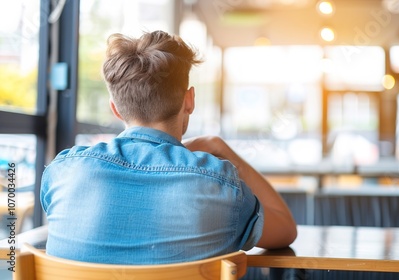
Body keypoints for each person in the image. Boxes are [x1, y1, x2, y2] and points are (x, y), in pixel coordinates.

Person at [40, 30, 297, 265]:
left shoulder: (63, 172)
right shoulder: (219, 184)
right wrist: (223, 151)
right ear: (190, 100)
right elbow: (286, 230)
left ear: (115, 108)